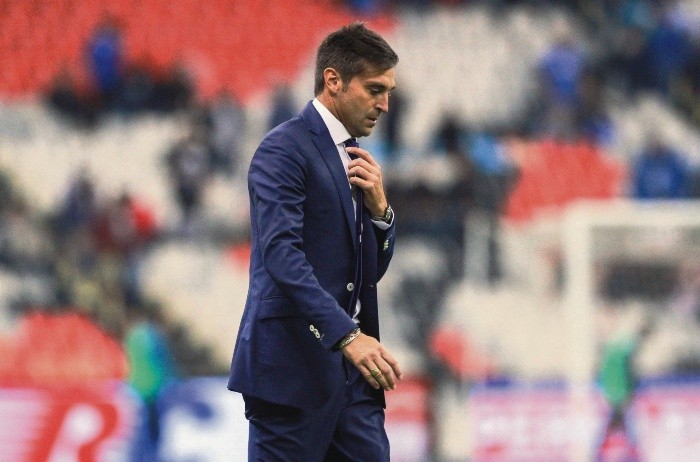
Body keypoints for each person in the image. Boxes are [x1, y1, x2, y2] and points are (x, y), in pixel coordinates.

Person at [228, 23, 402, 461]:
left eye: (388, 92)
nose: (385, 105)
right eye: (375, 89)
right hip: (291, 371)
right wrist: (347, 335)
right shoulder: (283, 149)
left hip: (352, 379)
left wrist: (381, 214)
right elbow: (281, 256)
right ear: (333, 81)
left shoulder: (355, 157)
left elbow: (366, 275)